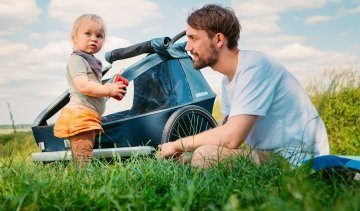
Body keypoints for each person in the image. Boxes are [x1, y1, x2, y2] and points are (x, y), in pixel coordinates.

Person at [158, 4, 329, 167]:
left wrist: (178, 144)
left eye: (193, 38)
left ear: (218, 39)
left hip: (297, 159)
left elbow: (231, 138)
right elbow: (224, 131)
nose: (188, 47)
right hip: (271, 155)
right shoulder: (229, 79)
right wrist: (186, 155)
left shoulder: (255, 67)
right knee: (203, 154)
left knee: (206, 156)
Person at [53, 14, 127, 165]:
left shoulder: (89, 61)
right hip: (80, 115)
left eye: (99, 36)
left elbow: (93, 87)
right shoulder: (77, 59)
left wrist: (108, 88)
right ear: (74, 37)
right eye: (88, 34)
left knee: (83, 155)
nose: (94, 38)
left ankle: (80, 179)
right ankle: (84, 182)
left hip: (88, 114)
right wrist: (108, 90)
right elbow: (84, 86)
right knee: (83, 157)